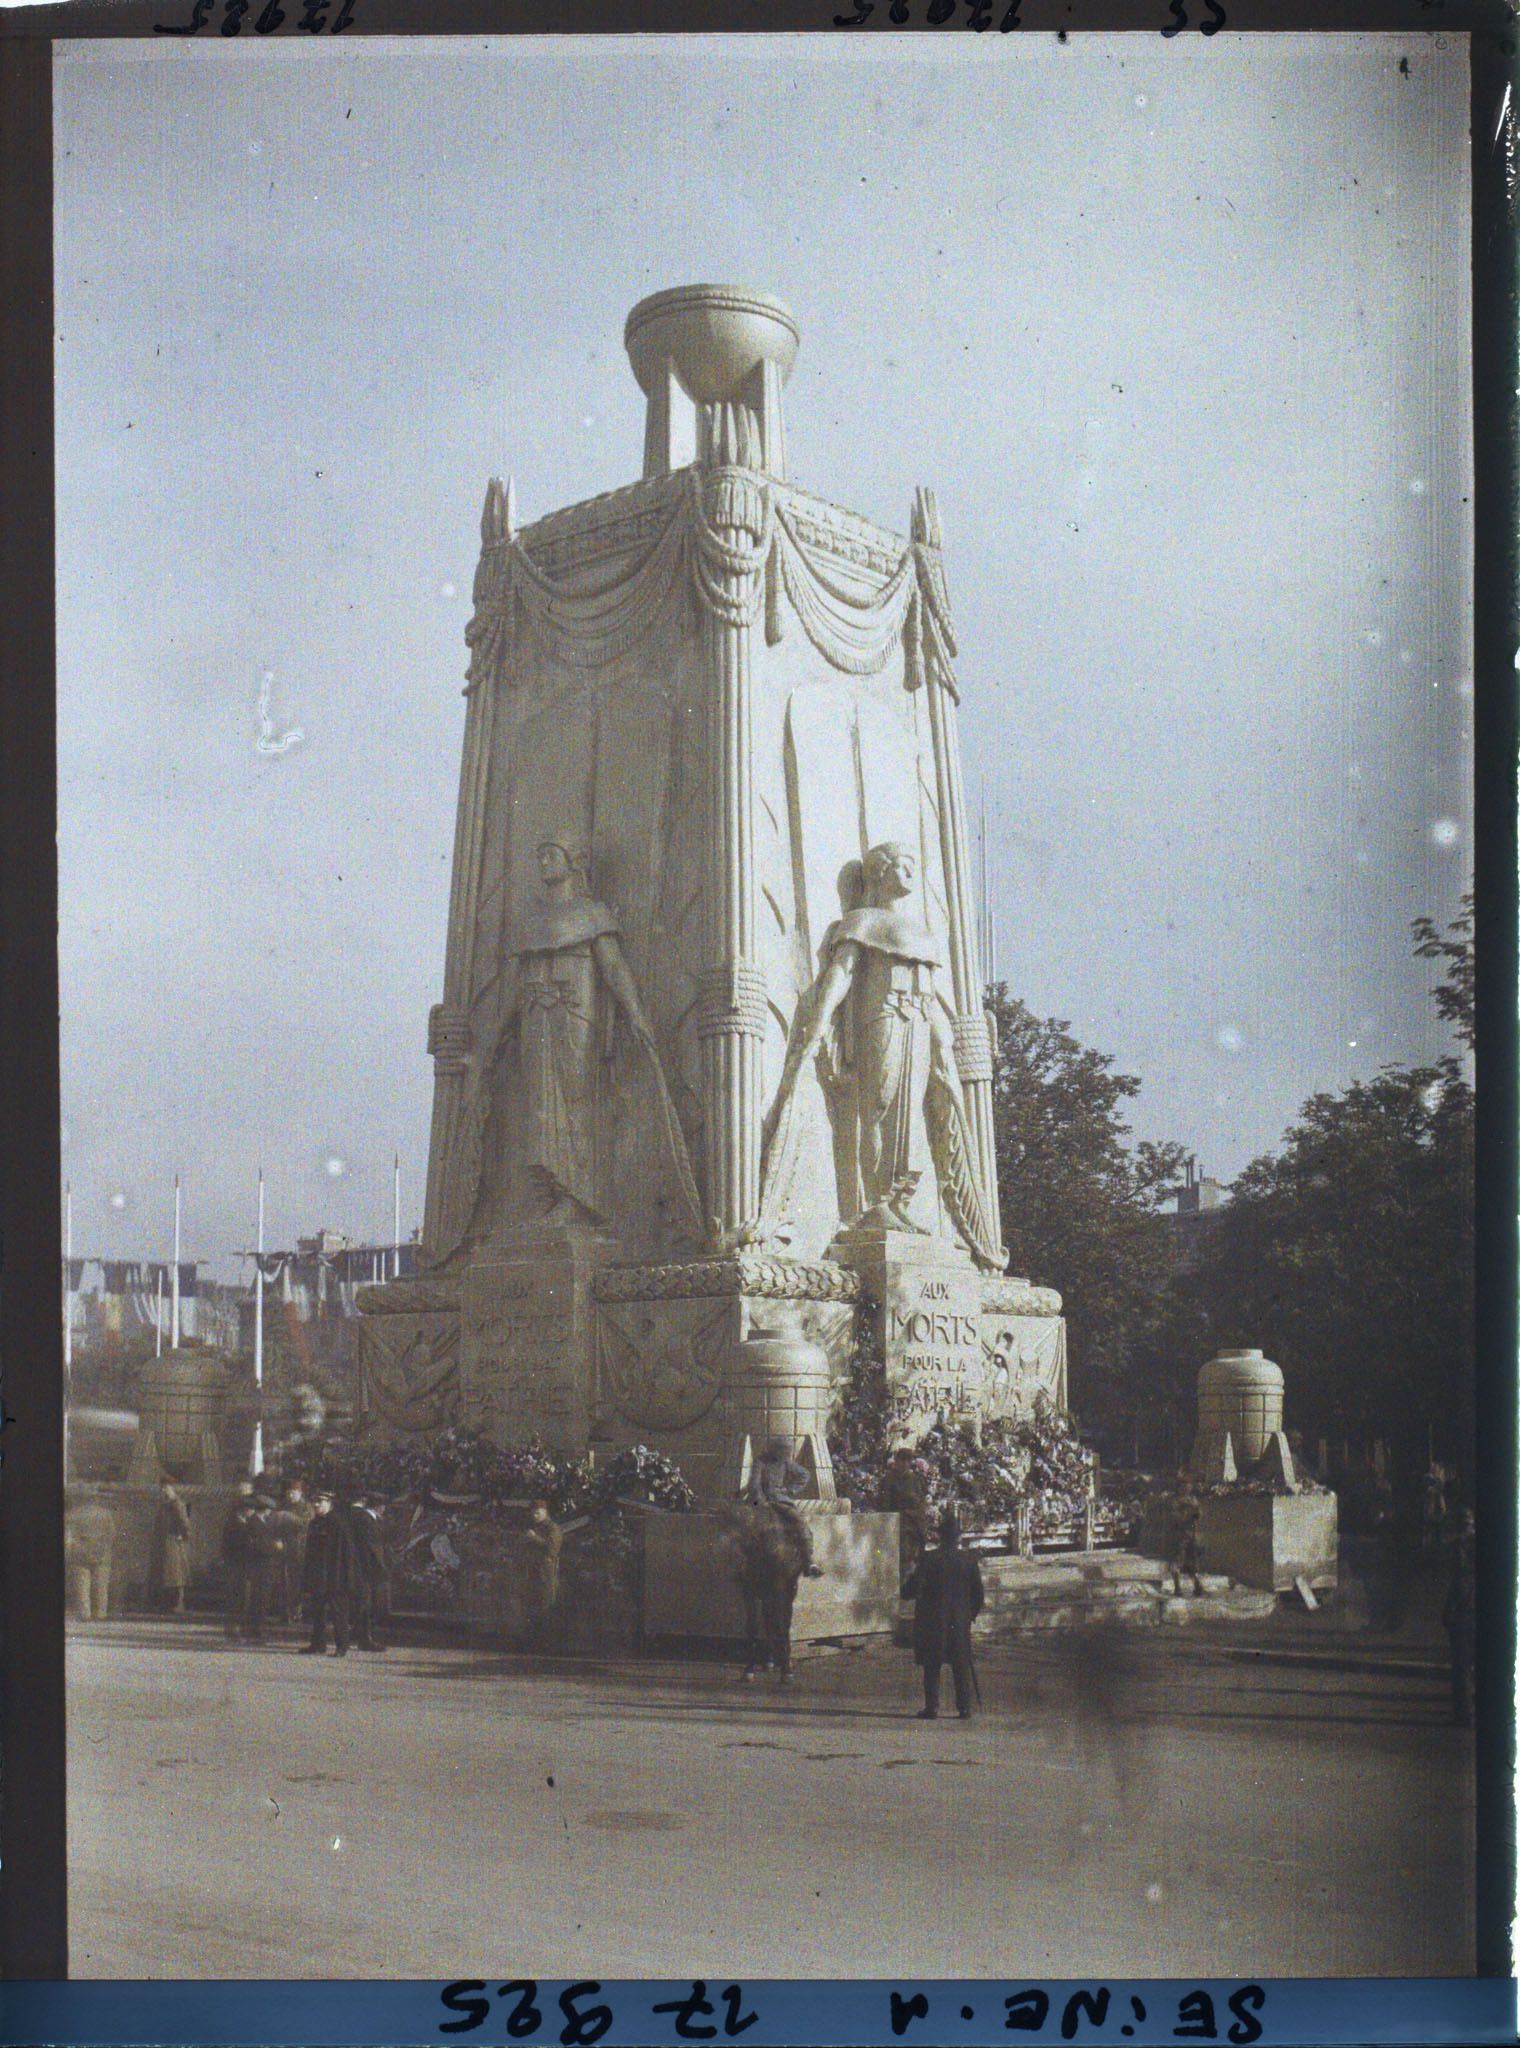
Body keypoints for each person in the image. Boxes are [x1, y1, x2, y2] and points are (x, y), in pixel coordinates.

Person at [909, 1508, 984, 1720]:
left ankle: (932, 1707)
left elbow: (912, 1589)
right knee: (961, 1665)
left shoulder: (929, 1559)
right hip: (959, 1622)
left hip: (933, 1621)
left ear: (940, 1536)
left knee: (932, 1665)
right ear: (958, 1537)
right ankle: (964, 1707)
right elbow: (978, 1595)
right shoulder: (969, 1561)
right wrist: (969, 1616)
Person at [745, 1437, 823, 1576]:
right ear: (775, 1449)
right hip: (761, 1502)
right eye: (783, 1450)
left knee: (800, 1523)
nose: (786, 1454)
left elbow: (804, 1474)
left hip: (780, 1501)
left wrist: (789, 1490)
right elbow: (754, 1485)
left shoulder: (785, 1463)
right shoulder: (760, 1461)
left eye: (786, 1451)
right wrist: (761, 1501)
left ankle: (808, 1563)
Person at [300, 1489, 357, 1656]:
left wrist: (347, 1577)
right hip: (318, 1576)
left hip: (335, 1576)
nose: (316, 1504)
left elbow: (347, 1553)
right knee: (318, 1612)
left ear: (329, 1503)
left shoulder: (338, 1524)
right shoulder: (315, 1523)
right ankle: (317, 1644)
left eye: (320, 1501)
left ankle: (342, 1646)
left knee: (339, 1613)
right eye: (314, 1502)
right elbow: (310, 1553)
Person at [1442, 1508, 1476, 1728]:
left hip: (1464, 1613)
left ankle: (1464, 1716)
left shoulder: (1458, 1546)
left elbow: (1457, 1585)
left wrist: (1449, 1612)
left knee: (1462, 1667)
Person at [878, 1447, 930, 1591]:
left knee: (912, 1559)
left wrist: (919, 1518)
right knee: (897, 1559)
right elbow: (883, 1504)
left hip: (913, 1526)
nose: (904, 1464)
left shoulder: (915, 1480)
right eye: (902, 1460)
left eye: (908, 1460)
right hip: (895, 1525)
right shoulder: (888, 1480)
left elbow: (921, 1502)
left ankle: (910, 1587)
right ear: (896, 1461)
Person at [238, 1494, 285, 1643]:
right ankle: (255, 1630)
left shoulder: (260, 1521)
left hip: (264, 1567)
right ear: (264, 1510)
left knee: (262, 1599)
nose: (270, 1512)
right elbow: (260, 1545)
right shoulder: (254, 1523)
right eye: (269, 1509)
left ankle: (256, 1629)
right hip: (259, 1567)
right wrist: (275, 1546)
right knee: (258, 1599)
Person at [345, 1494, 390, 1652]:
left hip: (362, 1567)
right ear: (380, 1507)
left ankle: (357, 1634)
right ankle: (363, 1638)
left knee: (364, 1603)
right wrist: (380, 1568)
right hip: (366, 1568)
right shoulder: (366, 1520)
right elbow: (371, 1547)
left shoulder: (365, 1518)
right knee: (365, 1603)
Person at [269, 1480, 314, 1624]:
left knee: (297, 1582)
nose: (290, 1495)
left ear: (300, 1493)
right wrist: (276, 1538)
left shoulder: (306, 1507)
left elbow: (307, 1524)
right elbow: (273, 1526)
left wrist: (290, 1517)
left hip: (300, 1549)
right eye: (288, 1493)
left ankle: (296, 1612)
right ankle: (285, 1613)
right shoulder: (282, 1506)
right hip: (283, 1549)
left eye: (293, 1492)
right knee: (283, 1581)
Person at [65, 1494, 117, 1621]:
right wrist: (107, 1548)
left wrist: (69, 1552)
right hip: (100, 1548)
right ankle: (100, 1613)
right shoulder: (105, 1514)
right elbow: (111, 1534)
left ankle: (84, 1614)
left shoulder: (74, 1514)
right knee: (101, 1584)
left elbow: (68, 1536)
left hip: (80, 1549)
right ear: (96, 1500)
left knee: (81, 1583)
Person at [520, 1499, 563, 1647]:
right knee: (532, 1608)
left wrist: (534, 1538)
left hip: (546, 1575)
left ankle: (547, 1643)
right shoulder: (532, 1527)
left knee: (546, 1608)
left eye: (537, 1512)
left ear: (545, 1512)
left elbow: (552, 1549)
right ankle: (533, 1642)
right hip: (532, 1573)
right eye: (533, 1512)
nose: (534, 1515)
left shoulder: (553, 1528)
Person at [220, 1478, 256, 1639]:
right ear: (244, 1510)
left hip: (241, 1565)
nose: (252, 1512)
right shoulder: (235, 1524)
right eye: (250, 1510)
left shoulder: (240, 1522)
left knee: (241, 1598)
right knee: (237, 1598)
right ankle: (233, 1629)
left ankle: (236, 1628)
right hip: (237, 1566)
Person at [150, 1478, 192, 1616]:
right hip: (164, 1542)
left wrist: (182, 1535)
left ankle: (178, 1603)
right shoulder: (165, 1504)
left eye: (166, 1488)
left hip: (173, 1542)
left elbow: (184, 1522)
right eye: (162, 1488)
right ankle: (168, 1604)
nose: (164, 1490)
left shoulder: (176, 1504)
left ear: (173, 1489)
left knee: (176, 1575)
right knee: (168, 1574)